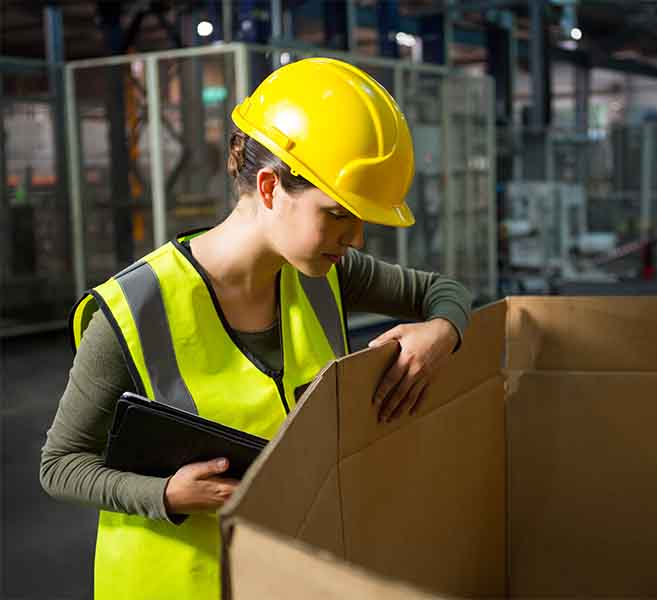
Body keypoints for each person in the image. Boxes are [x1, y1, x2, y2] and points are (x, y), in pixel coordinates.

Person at [39, 57, 472, 600]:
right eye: (338, 214)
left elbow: (445, 293)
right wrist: (167, 493)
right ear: (269, 188)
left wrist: (441, 334)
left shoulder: (323, 273)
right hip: (172, 584)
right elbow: (60, 466)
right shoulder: (132, 309)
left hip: (286, 576)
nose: (356, 238)